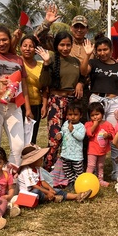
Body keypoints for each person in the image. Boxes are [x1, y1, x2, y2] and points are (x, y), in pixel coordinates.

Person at [0, 25, 33, 171]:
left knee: (18, 146)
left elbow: (24, 85)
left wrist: (27, 109)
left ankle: (10, 176)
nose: (1, 43)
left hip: (14, 106)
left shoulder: (18, 59)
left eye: (4, 40)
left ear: (10, 40)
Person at [80, 37, 118, 181]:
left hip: (114, 101)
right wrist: (87, 55)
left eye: (105, 49)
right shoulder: (93, 63)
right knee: (94, 135)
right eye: (99, 50)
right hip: (96, 101)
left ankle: (116, 171)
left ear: (111, 50)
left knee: (115, 135)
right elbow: (83, 72)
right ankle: (93, 171)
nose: (102, 52)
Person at [40, 31, 85, 171]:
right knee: (55, 138)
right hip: (56, 102)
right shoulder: (51, 59)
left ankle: (66, 171)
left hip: (72, 102)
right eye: (62, 45)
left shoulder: (75, 61)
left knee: (70, 137)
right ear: (56, 45)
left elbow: (83, 76)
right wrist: (46, 64)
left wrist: (80, 83)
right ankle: (47, 169)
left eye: (68, 45)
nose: (65, 48)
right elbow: (43, 83)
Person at [17, 144, 92, 205]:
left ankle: (77, 196)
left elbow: (42, 181)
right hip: (29, 194)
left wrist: (50, 189)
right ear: (33, 161)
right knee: (37, 192)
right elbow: (34, 186)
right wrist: (48, 192)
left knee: (57, 190)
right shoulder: (26, 171)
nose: (42, 160)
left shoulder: (37, 168)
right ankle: (52, 198)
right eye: (40, 158)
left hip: (40, 189)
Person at [19, 35, 50, 143]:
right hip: (18, 106)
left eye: (31, 46)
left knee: (31, 138)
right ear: (20, 48)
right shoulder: (17, 63)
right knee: (18, 139)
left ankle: (31, 159)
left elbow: (45, 87)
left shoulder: (41, 66)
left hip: (36, 105)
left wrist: (44, 105)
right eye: (25, 46)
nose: (27, 49)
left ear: (36, 49)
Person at [55, 101, 86, 188]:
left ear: (80, 115)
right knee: (67, 169)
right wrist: (60, 134)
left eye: (75, 114)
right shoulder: (65, 123)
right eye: (70, 114)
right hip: (65, 153)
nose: (72, 117)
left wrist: (73, 130)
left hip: (76, 155)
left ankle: (78, 182)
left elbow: (81, 137)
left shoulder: (81, 126)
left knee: (78, 171)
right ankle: (72, 182)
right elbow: (63, 131)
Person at [85, 102, 115, 187]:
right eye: (92, 115)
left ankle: (100, 179)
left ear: (102, 114)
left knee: (100, 165)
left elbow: (113, 135)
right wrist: (95, 125)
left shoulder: (107, 124)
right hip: (92, 150)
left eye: (97, 114)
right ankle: (88, 179)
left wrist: (108, 135)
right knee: (91, 165)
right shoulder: (89, 124)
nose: (95, 117)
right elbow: (89, 133)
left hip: (102, 150)